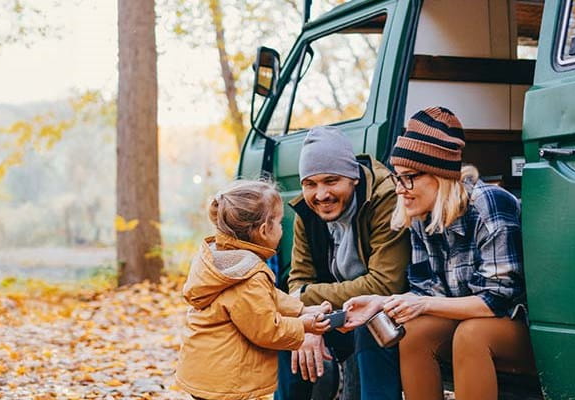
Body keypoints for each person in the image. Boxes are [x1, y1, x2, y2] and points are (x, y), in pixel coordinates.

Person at [339, 107, 534, 400]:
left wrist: (425, 304)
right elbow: (428, 291)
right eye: (397, 178)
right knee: (416, 334)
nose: (400, 189)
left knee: (472, 335)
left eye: (408, 178)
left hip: (520, 329)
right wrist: (381, 303)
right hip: (469, 321)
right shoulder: (420, 214)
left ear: (438, 174)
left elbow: (497, 300)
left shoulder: (488, 205)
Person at [276, 127, 408, 400]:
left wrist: (304, 300)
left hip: (389, 309)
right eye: (310, 183)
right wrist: (307, 321)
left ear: (353, 177)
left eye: (331, 181)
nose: (321, 194)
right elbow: (299, 278)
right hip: (337, 312)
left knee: (373, 323)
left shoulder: (385, 198)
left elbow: (384, 284)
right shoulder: (307, 210)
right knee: (289, 334)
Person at [176, 180, 334, 400]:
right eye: (279, 223)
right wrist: (304, 326)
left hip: (208, 371)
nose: (282, 229)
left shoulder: (226, 260)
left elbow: (266, 296)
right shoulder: (249, 275)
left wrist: (301, 310)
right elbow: (266, 330)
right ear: (263, 230)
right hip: (227, 381)